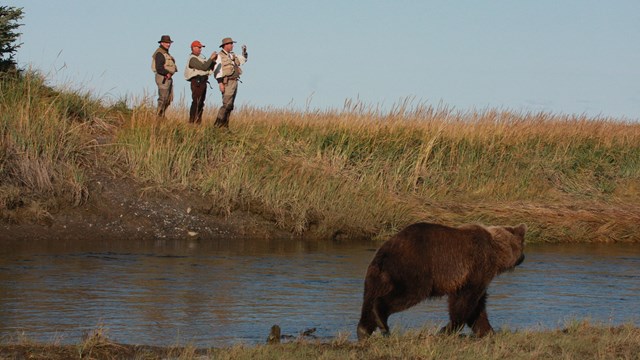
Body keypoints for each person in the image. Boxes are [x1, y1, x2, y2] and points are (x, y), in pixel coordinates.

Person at [213, 37, 248, 128]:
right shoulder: (219, 56)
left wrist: (244, 52)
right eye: (231, 44)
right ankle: (217, 124)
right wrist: (220, 83)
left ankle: (225, 126)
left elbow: (242, 60)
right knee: (226, 104)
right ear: (225, 45)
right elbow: (217, 70)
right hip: (226, 82)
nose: (232, 45)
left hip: (234, 81)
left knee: (230, 105)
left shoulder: (232, 55)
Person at [184, 40, 217, 124]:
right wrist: (211, 58)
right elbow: (204, 67)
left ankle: (198, 121)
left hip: (203, 81)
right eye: (199, 47)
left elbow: (208, 67)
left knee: (201, 102)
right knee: (196, 101)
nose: (200, 49)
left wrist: (213, 61)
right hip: (197, 81)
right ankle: (192, 121)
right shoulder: (192, 59)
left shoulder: (201, 58)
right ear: (193, 48)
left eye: (201, 47)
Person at [151, 35, 177, 118]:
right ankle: (158, 116)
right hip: (163, 78)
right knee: (163, 98)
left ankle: (161, 115)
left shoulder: (165, 53)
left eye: (169, 43)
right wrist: (167, 73)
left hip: (167, 78)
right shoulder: (160, 53)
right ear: (161, 43)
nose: (168, 44)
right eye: (166, 42)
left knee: (168, 99)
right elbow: (159, 68)